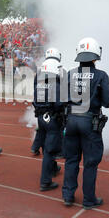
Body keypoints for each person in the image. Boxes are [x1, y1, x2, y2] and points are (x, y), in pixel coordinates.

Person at [62, 38, 109, 209]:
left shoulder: (69, 73)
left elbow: (61, 100)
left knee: (71, 160)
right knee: (90, 162)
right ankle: (88, 199)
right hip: (89, 122)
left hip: (71, 121)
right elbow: (108, 102)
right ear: (95, 57)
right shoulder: (101, 75)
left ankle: (68, 196)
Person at [33, 59, 65, 191]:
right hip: (52, 119)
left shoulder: (39, 84)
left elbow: (34, 102)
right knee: (49, 151)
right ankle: (45, 181)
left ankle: (53, 170)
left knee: (47, 147)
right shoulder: (55, 85)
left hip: (41, 118)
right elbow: (58, 104)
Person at [31, 47, 63, 157]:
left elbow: (35, 87)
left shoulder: (40, 70)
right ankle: (55, 153)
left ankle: (36, 147)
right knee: (53, 132)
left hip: (40, 107)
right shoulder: (59, 69)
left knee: (42, 129)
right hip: (53, 109)